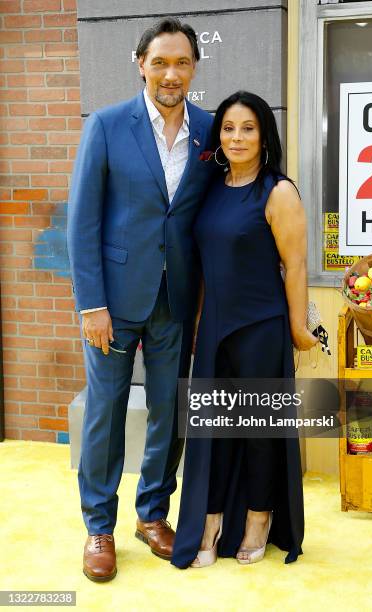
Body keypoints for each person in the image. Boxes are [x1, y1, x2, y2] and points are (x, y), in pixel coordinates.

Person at [67, 17, 214, 582]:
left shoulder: (207, 130)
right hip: (113, 304)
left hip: (175, 301)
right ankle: (98, 525)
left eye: (181, 63)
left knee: (169, 415)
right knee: (104, 415)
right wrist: (91, 305)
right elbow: (82, 223)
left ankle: (151, 513)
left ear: (193, 67)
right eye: (160, 62)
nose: (170, 73)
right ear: (141, 65)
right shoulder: (106, 126)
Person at [171, 91, 318, 569]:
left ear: (264, 135)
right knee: (213, 431)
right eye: (228, 128)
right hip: (214, 328)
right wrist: (196, 324)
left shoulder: (278, 192)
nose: (236, 137)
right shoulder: (211, 187)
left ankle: (259, 518)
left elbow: (295, 266)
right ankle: (210, 522)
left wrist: (298, 327)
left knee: (257, 431)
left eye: (248, 128)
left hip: (261, 327)